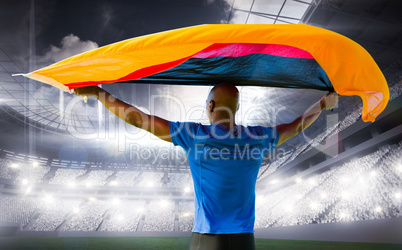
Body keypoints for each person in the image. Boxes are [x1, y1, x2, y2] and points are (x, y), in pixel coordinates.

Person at [75, 83, 338, 250]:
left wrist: (100, 93)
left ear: (210, 105)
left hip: (207, 240)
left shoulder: (193, 134)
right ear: (237, 108)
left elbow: (138, 119)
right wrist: (323, 104)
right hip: (245, 240)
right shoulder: (259, 137)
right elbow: (297, 124)